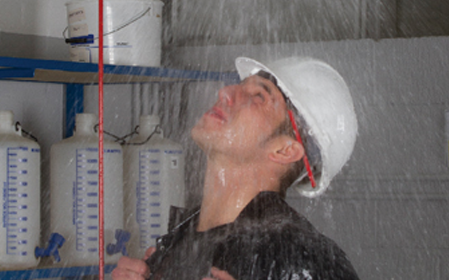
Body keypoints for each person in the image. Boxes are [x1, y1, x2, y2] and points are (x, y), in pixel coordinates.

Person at [111, 56, 360, 280]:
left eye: (259, 96)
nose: (225, 92)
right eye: (240, 87)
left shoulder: (304, 254)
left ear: (285, 150)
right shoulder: (173, 245)